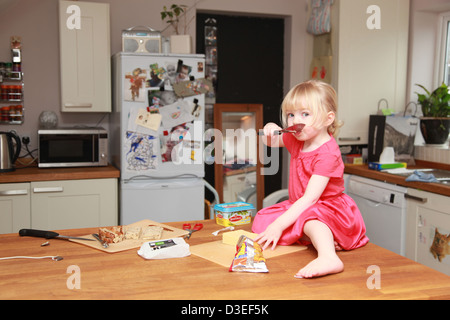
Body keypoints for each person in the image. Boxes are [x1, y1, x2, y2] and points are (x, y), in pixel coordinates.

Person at [253, 80, 369, 279]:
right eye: (291, 115)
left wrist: (279, 226)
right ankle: (320, 238)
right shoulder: (298, 139)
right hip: (301, 205)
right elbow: (271, 141)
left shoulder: (327, 154)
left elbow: (310, 200)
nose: (295, 120)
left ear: (327, 119)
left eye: (305, 114)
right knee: (262, 220)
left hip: (328, 209)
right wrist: (270, 128)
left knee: (308, 219)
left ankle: (328, 257)